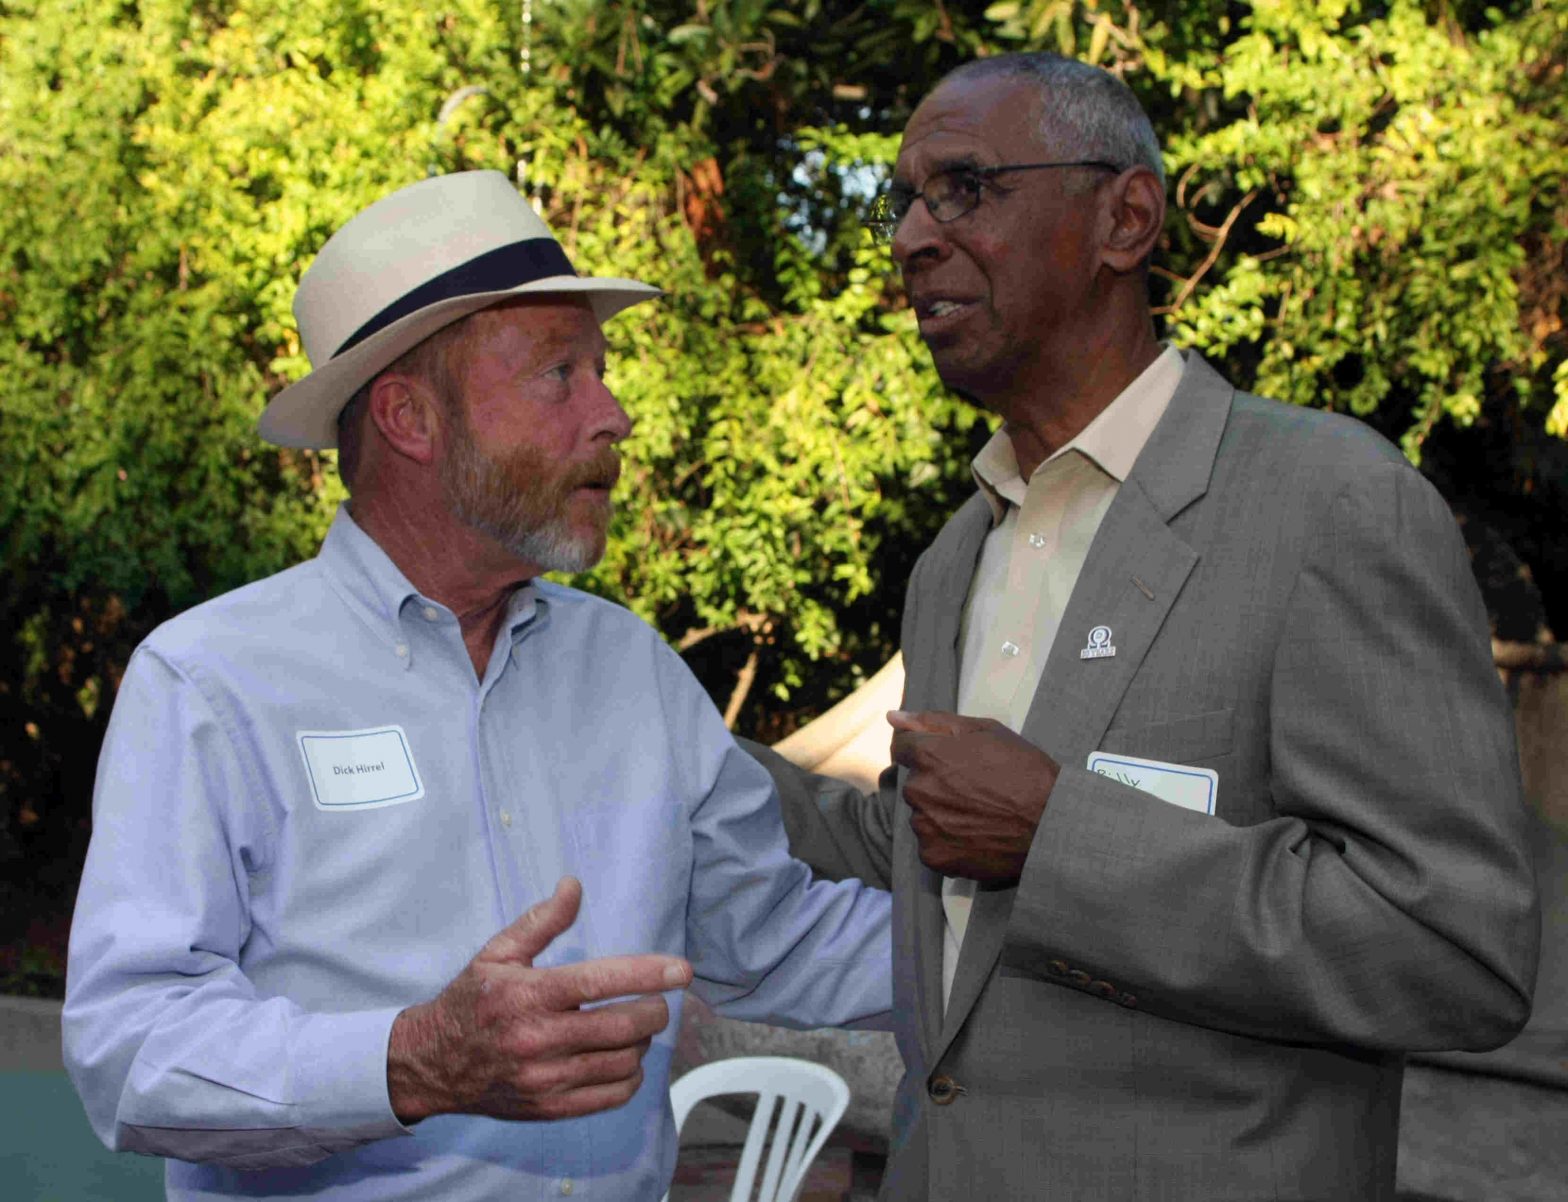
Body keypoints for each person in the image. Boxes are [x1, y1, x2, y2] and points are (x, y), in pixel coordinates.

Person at [751, 52, 1540, 1200]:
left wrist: (1057, 836)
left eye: (964, 185)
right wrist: (637, 715)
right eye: (903, 200)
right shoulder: (953, 558)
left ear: (1124, 218)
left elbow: (1452, 949)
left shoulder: (1327, 503)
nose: (912, 236)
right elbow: (917, 843)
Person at [63, 170, 891, 1201]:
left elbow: (772, 939)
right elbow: (128, 1048)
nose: (615, 415)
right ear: (412, 417)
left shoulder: (630, 669)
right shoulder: (212, 683)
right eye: (559, 374)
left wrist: (1055, 941)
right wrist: (414, 1059)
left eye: (601, 371)